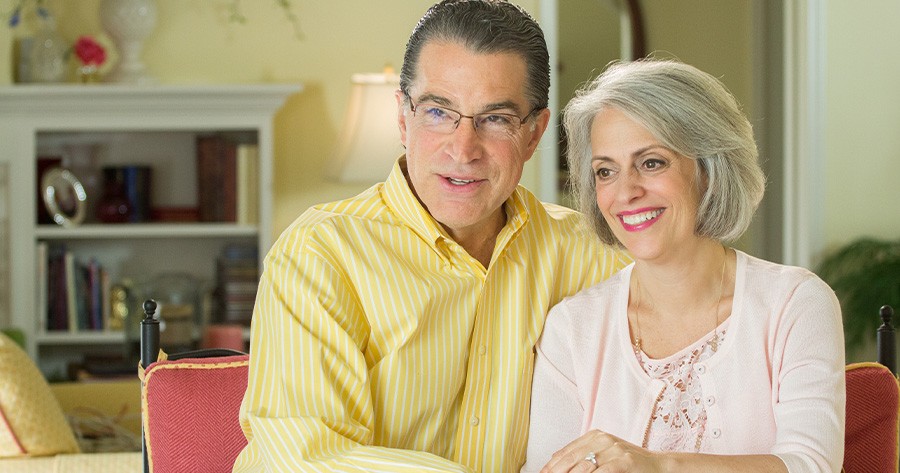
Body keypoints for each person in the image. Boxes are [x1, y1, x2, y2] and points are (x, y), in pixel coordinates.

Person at [233, 1, 627, 472]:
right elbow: (308, 457)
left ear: (533, 134)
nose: (463, 149)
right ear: (403, 117)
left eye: (495, 119)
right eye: (439, 112)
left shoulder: (591, 253)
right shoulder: (320, 253)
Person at [520, 59, 845, 473]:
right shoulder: (571, 329)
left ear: (709, 169)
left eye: (651, 162)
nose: (626, 192)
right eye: (606, 171)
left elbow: (812, 465)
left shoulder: (795, 303)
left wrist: (658, 466)